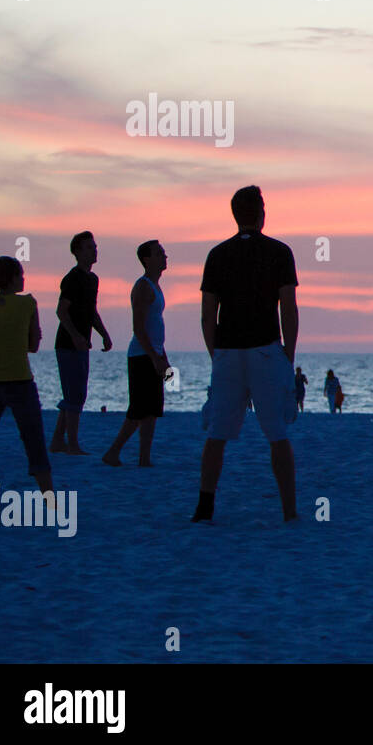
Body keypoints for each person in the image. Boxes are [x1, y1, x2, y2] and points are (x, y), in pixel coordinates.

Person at [192, 185, 299, 523]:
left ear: (235, 215)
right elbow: (289, 309)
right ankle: (289, 510)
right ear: (262, 214)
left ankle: (205, 506)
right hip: (265, 350)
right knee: (277, 434)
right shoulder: (280, 252)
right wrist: (288, 354)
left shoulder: (217, 254)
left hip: (228, 351)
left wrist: (215, 354)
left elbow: (208, 314)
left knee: (217, 434)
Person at [0, 257, 56, 495]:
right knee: (35, 446)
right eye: (21, 275)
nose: (24, 279)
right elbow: (33, 346)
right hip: (20, 382)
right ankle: (49, 500)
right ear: (12, 278)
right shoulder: (28, 303)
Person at [102, 241, 169, 467]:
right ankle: (113, 451)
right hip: (141, 356)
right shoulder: (142, 287)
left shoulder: (156, 287)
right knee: (139, 410)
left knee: (151, 410)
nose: (164, 256)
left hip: (153, 354)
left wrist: (163, 356)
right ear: (147, 259)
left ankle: (144, 457)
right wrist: (153, 357)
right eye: (159, 253)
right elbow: (138, 328)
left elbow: (155, 325)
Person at [48, 231, 113, 455]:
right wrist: (75, 335)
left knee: (75, 394)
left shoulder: (93, 279)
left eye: (94, 246)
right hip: (67, 344)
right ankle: (72, 444)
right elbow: (61, 311)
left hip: (83, 344)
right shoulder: (72, 278)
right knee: (74, 395)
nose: (94, 250)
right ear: (76, 252)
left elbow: (91, 312)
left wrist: (104, 333)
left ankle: (58, 441)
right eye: (88, 247)